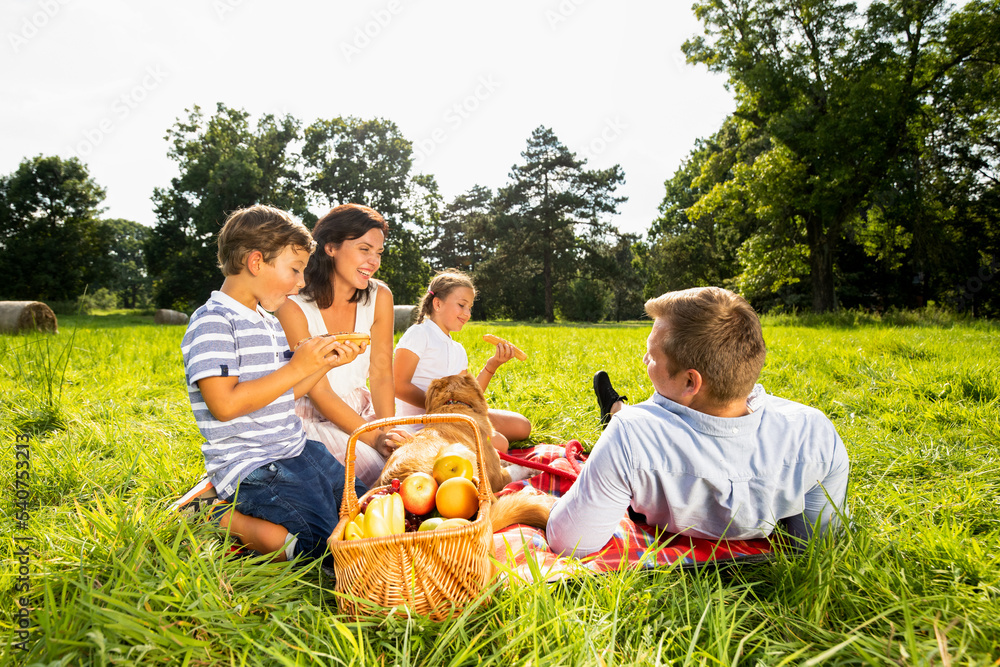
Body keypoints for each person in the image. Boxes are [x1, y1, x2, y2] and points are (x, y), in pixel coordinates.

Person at [548, 287, 850, 557]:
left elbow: (570, 541)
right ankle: (614, 407)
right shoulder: (814, 431)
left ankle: (614, 409)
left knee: (625, 419)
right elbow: (815, 542)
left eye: (652, 356)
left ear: (691, 381)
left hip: (633, 439)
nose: (644, 360)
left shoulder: (630, 434)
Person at [181, 204, 367, 562]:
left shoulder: (266, 321)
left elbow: (284, 392)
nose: (301, 282)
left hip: (296, 449)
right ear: (255, 262)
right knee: (323, 548)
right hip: (251, 464)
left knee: (363, 505)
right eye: (295, 270)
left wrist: (323, 364)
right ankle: (213, 512)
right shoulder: (213, 323)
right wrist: (298, 367)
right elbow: (225, 406)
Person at [275, 204, 405, 487]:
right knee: (377, 480)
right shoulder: (292, 307)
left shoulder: (379, 296)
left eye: (378, 253)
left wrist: (387, 430)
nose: (374, 261)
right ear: (331, 247)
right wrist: (373, 438)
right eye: (364, 249)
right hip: (314, 418)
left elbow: (382, 373)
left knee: (412, 462)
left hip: (362, 409)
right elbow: (319, 392)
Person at [393, 269, 531, 453]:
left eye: (470, 307)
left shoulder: (458, 349)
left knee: (522, 426)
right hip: (422, 423)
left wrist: (492, 365)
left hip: (455, 415)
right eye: (461, 305)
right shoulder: (419, 334)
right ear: (437, 304)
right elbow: (398, 385)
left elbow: (470, 398)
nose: (467, 313)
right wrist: (443, 405)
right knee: (500, 443)